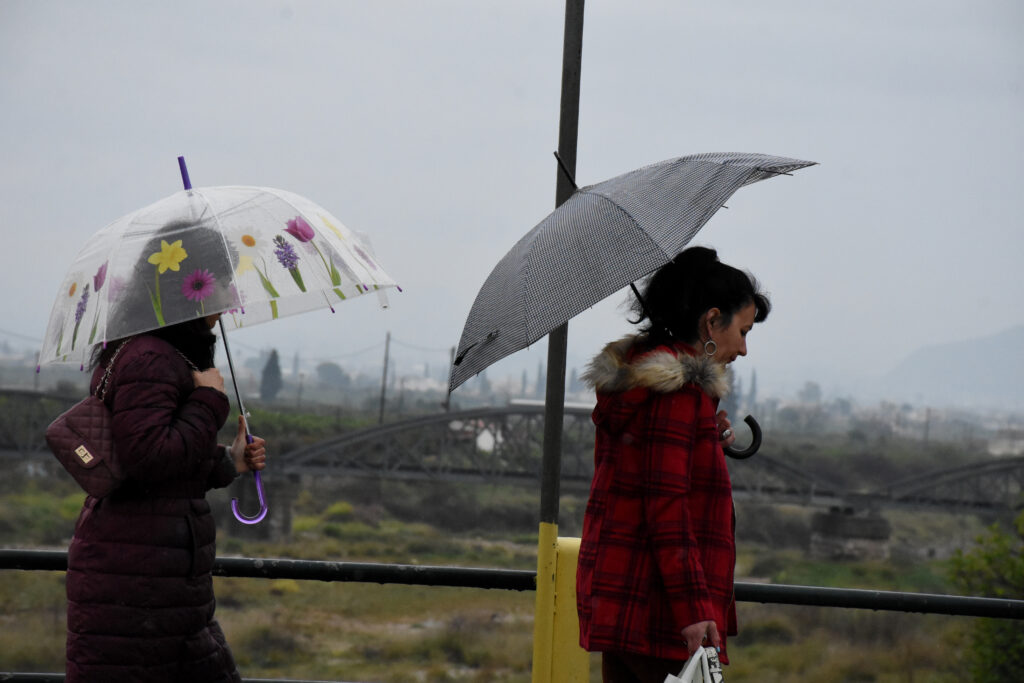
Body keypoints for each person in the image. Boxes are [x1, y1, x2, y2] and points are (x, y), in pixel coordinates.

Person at [575, 246, 770, 682]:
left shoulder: (645, 386)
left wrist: (704, 436)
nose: (742, 348)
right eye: (742, 330)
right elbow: (667, 509)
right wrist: (694, 611)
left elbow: (642, 478)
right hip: (662, 613)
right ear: (711, 320)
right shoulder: (676, 395)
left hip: (628, 598)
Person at [65, 307, 266, 680]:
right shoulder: (150, 358)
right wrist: (209, 399)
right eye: (222, 284)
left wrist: (230, 462)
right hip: (140, 575)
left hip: (155, 572)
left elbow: (163, 468)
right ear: (191, 290)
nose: (229, 301)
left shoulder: (160, 353)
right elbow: (150, 459)